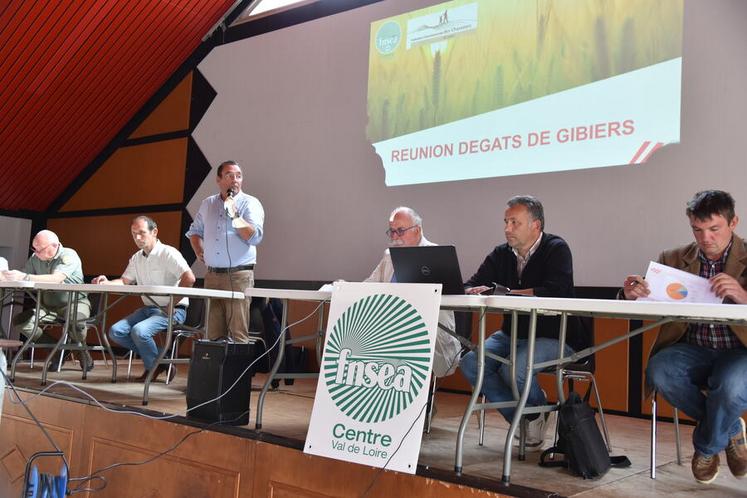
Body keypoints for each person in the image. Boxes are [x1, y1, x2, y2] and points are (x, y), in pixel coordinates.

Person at [620, 190, 747, 484]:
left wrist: (742, 295)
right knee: (659, 371)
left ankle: (706, 447)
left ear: (733, 222)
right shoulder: (672, 259)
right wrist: (630, 295)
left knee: (730, 385)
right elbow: (650, 306)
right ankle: (730, 430)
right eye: (697, 230)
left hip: (740, 350)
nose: (705, 238)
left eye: (714, 229)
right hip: (692, 348)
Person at [459, 195, 586, 451]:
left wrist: (506, 293)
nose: (507, 228)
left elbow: (556, 291)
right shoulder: (501, 253)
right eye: (506, 222)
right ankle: (530, 416)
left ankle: (531, 412)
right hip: (511, 334)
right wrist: (472, 290)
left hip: (557, 336)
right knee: (471, 363)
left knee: (516, 367)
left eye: (514, 222)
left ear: (535, 225)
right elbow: (472, 283)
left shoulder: (556, 248)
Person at [93, 216, 195, 382]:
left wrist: (172, 304)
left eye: (142, 233)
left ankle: (152, 367)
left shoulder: (168, 253)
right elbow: (124, 281)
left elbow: (189, 278)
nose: (137, 238)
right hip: (149, 309)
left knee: (139, 332)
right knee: (116, 331)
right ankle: (161, 359)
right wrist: (106, 282)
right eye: (134, 234)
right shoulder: (136, 257)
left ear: (154, 232)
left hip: (173, 310)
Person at [364, 206, 462, 378]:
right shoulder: (389, 256)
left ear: (417, 230)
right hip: (389, 330)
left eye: (400, 231)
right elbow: (369, 285)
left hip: (423, 334)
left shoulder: (436, 255)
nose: (395, 237)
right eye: (392, 231)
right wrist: (345, 287)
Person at [186, 160, 264, 343]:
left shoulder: (250, 203)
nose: (235, 180)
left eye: (239, 176)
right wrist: (198, 250)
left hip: (239, 276)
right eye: (229, 175)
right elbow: (194, 231)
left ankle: (239, 364)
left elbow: (254, 237)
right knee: (213, 334)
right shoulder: (208, 203)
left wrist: (235, 215)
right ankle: (216, 363)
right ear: (219, 180)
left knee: (238, 333)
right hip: (212, 276)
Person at [1, 230, 92, 370]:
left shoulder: (68, 255)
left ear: (54, 245)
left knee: (77, 323)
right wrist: (7, 276)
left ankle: (80, 349)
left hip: (74, 303)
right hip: (47, 307)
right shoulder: (35, 258)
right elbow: (22, 276)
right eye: (34, 249)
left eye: (40, 249)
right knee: (20, 321)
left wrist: (25, 277)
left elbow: (56, 278)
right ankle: (57, 350)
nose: (36, 253)